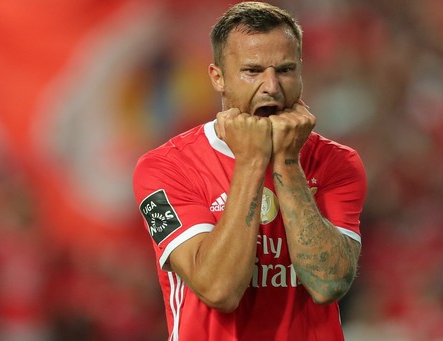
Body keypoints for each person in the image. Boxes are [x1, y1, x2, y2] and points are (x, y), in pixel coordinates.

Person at [132, 2, 367, 340]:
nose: (271, 87)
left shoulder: (337, 163)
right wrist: (253, 160)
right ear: (218, 78)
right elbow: (219, 290)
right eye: (253, 71)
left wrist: (286, 161)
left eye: (285, 70)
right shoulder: (165, 168)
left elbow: (328, 283)